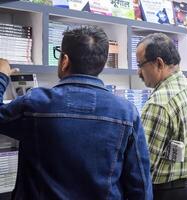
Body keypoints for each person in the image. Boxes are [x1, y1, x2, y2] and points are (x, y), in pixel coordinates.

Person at [0, 26, 152, 199]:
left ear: (65, 60)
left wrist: (2, 75)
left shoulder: (35, 103)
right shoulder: (127, 113)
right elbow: (140, 185)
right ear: (102, 63)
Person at [136, 32, 187, 200]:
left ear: (159, 63)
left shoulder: (159, 103)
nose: (138, 72)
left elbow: (142, 165)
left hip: (166, 192)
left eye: (140, 65)